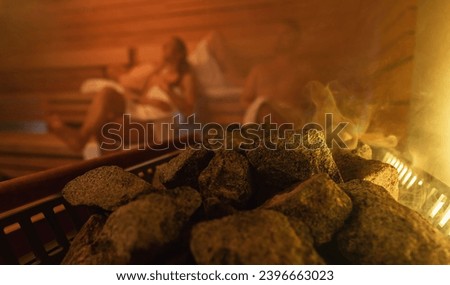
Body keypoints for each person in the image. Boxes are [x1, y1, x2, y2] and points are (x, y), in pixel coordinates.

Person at [48, 36, 196, 152]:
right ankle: (82, 138)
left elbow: (189, 110)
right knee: (107, 93)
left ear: (179, 53)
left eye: (169, 45)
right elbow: (139, 94)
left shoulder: (185, 76)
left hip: (160, 123)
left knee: (103, 127)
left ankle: (109, 168)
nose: (164, 47)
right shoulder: (155, 72)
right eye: (164, 46)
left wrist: (168, 91)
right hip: (141, 110)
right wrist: (141, 96)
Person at [241, 21, 315, 126]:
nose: (279, 37)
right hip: (261, 121)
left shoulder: (303, 70)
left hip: (290, 121)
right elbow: (245, 99)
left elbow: (314, 101)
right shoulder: (259, 70)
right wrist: (260, 109)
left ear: (296, 38)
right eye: (277, 33)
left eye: (286, 33)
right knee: (265, 108)